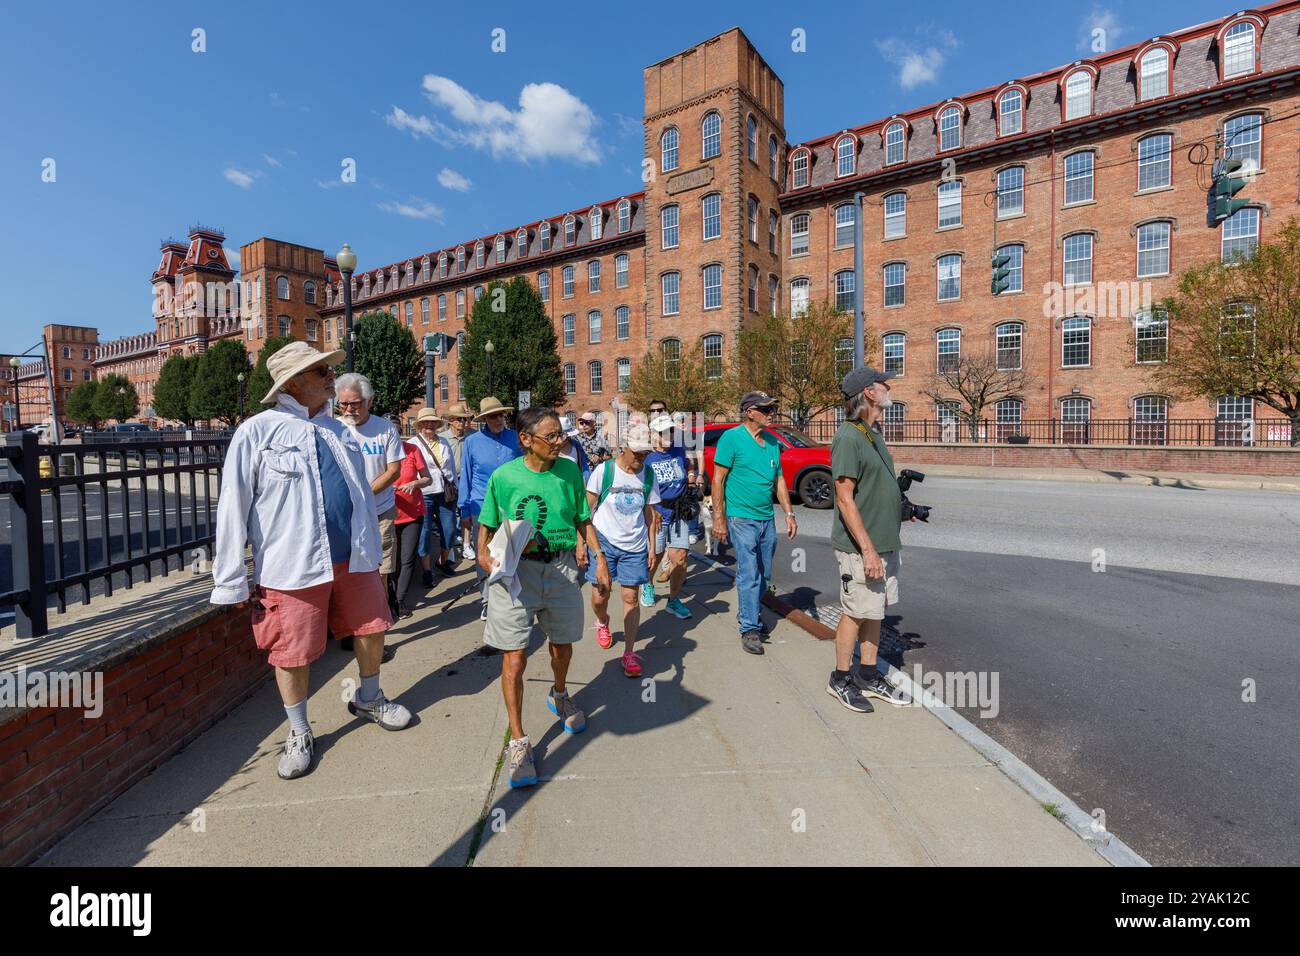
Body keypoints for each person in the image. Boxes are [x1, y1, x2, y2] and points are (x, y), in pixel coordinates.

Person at [210, 342, 411, 780]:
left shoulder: (338, 431)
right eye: (321, 371)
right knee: (292, 651)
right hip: (293, 565)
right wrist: (229, 580)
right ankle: (299, 729)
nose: (330, 379)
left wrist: (374, 543)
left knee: (372, 628)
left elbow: (359, 492)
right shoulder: (257, 431)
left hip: (353, 558)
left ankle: (369, 697)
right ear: (293, 382)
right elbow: (232, 506)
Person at [476, 407, 603, 789]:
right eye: (551, 436)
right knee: (514, 656)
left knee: (563, 646)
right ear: (526, 439)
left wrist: (599, 559)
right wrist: (483, 555)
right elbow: (486, 526)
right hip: (517, 575)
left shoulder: (567, 470)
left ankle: (559, 693)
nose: (559, 441)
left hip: (562, 569)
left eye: (561, 434)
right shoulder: (504, 477)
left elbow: (583, 517)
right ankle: (518, 740)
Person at [828, 367, 909, 712]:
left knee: (875, 611)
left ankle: (867, 673)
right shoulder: (848, 436)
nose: (888, 386)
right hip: (862, 549)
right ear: (869, 394)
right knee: (856, 611)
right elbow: (845, 498)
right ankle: (840, 678)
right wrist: (868, 549)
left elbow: (873, 489)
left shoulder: (871, 432)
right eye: (882, 383)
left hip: (884, 542)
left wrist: (905, 509)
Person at [711, 391, 798, 656]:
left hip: (766, 519)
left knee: (765, 574)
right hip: (741, 517)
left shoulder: (772, 442)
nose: (771, 413)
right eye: (766, 409)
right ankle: (750, 627)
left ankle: (748, 608)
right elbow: (718, 480)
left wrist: (789, 513)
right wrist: (719, 518)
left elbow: (779, 480)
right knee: (749, 572)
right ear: (750, 412)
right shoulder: (731, 438)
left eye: (772, 408)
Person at [585, 426, 661, 678]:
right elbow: (585, 511)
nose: (641, 458)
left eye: (645, 453)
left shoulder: (648, 475)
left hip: (635, 546)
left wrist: (652, 546)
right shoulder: (604, 471)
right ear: (623, 448)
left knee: (630, 598)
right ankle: (603, 620)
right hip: (604, 542)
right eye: (637, 453)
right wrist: (580, 544)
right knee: (600, 596)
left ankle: (629, 653)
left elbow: (650, 514)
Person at [335, 373, 404, 619]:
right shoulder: (335, 428)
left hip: (379, 512)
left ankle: (378, 625)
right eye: (343, 404)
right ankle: (350, 626)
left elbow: (394, 470)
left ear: (369, 401)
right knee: (348, 573)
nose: (349, 409)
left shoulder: (384, 429)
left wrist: (363, 494)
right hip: (345, 515)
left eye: (355, 403)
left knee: (379, 574)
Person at [458, 397, 522, 619]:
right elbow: (465, 475)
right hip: (480, 505)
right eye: (492, 416)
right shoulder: (472, 442)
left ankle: (511, 594)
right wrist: (463, 509)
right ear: (484, 419)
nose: (497, 419)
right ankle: (487, 599)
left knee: (512, 552)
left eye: (500, 415)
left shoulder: (515, 438)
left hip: (511, 506)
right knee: (483, 552)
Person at [645, 414, 698, 619]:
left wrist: (692, 477)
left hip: (679, 511)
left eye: (671, 431)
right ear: (653, 434)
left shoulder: (678, 450)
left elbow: (689, 466)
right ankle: (647, 585)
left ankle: (673, 600)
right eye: (663, 432)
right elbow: (641, 488)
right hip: (657, 512)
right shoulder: (647, 457)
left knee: (681, 557)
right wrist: (651, 512)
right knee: (656, 555)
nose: (668, 435)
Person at [411, 408, 457, 584]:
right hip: (424, 493)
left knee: (450, 529)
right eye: (425, 422)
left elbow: (451, 468)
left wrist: (456, 490)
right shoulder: (413, 443)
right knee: (425, 532)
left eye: (432, 422)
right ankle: (427, 570)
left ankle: (442, 561)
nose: (429, 425)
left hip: (445, 493)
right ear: (420, 425)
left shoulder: (444, 442)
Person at [392, 431, 432, 617]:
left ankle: (400, 601)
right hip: (387, 516)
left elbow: (427, 478)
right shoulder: (379, 453)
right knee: (391, 562)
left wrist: (415, 483)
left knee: (407, 559)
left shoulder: (412, 450)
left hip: (413, 514)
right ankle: (389, 599)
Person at [439, 402, 475, 562]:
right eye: (459, 419)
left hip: (469, 479)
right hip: (450, 482)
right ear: (451, 421)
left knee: (467, 513)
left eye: (465, 419)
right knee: (450, 516)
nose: (463, 423)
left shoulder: (472, 436)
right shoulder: (443, 438)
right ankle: (451, 546)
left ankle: (467, 544)